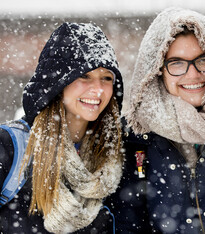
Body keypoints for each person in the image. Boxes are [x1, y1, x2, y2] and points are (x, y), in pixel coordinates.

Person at [109, 7, 205, 234]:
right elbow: (128, 222)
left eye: (203, 59)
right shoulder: (136, 137)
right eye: (176, 63)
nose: (193, 74)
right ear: (158, 71)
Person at [0, 22, 124, 233]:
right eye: (84, 76)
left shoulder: (114, 155)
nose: (98, 89)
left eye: (106, 78)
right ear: (58, 82)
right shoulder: (10, 147)